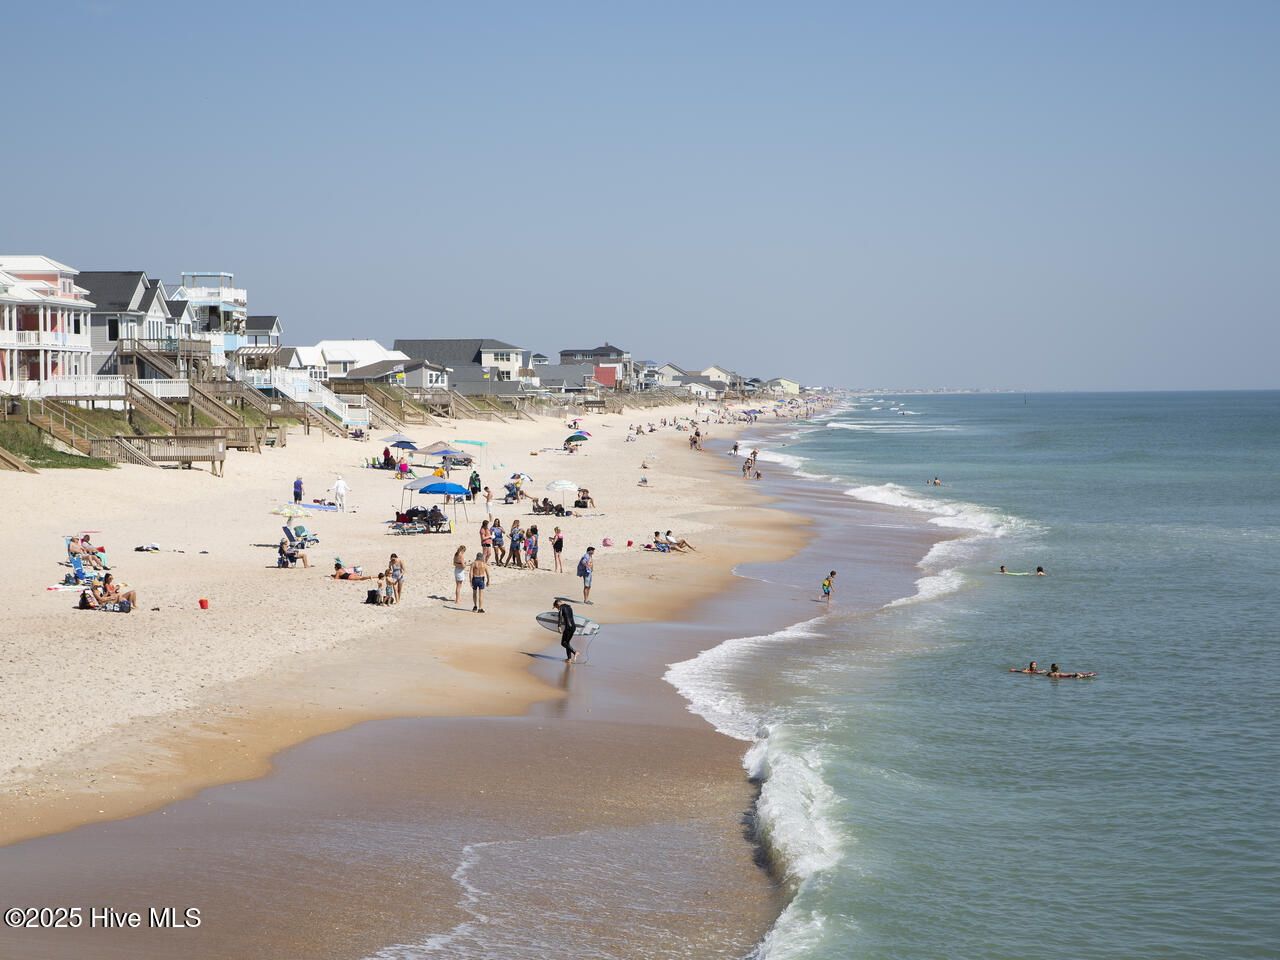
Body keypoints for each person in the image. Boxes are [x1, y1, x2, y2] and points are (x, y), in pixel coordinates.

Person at [554, 598, 578, 662]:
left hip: (568, 628)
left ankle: (575, 652)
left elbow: (560, 617)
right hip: (573, 627)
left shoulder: (561, 607)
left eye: (556, 607)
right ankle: (569, 659)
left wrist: (559, 627)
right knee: (567, 643)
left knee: (563, 643)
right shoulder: (569, 607)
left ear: (558, 604)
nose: (557, 609)